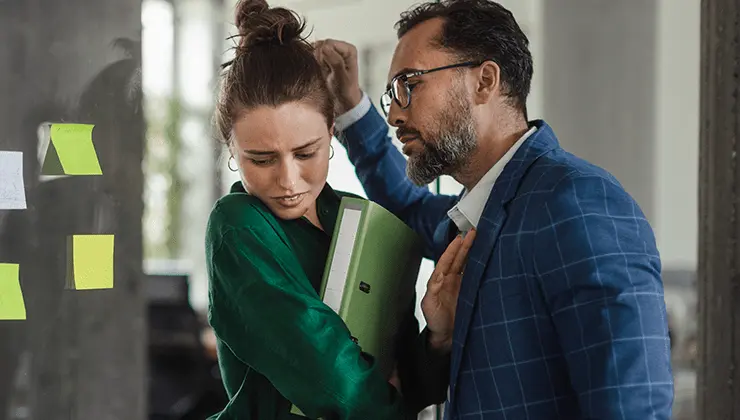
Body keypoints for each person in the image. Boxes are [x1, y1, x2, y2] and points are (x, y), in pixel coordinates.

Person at [314, 0, 674, 418]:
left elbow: (630, 407)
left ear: (484, 81)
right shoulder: (478, 215)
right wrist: (352, 108)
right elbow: (408, 207)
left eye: (409, 84)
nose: (394, 112)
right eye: (392, 93)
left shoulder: (575, 202)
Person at [205, 1, 477, 419]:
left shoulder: (360, 219)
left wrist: (438, 338)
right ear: (232, 151)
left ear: (331, 131)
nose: (289, 181)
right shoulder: (239, 226)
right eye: (261, 159)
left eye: (306, 152)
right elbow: (330, 374)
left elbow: (400, 377)